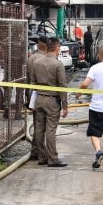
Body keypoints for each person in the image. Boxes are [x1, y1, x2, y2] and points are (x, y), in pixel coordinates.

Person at [32, 37, 69, 168]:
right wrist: (65, 106)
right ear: (57, 48)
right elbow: (62, 86)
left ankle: (41, 157)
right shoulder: (58, 65)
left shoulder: (37, 62)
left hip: (39, 98)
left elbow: (33, 81)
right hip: (52, 100)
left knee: (39, 129)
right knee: (51, 130)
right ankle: (52, 158)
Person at [25, 35, 48, 161]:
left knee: (37, 124)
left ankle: (35, 151)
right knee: (42, 127)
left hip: (32, 94)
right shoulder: (48, 59)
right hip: (45, 95)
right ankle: (41, 153)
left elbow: (28, 79)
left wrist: (27, 97)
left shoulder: (31, 58)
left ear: (39, 44)